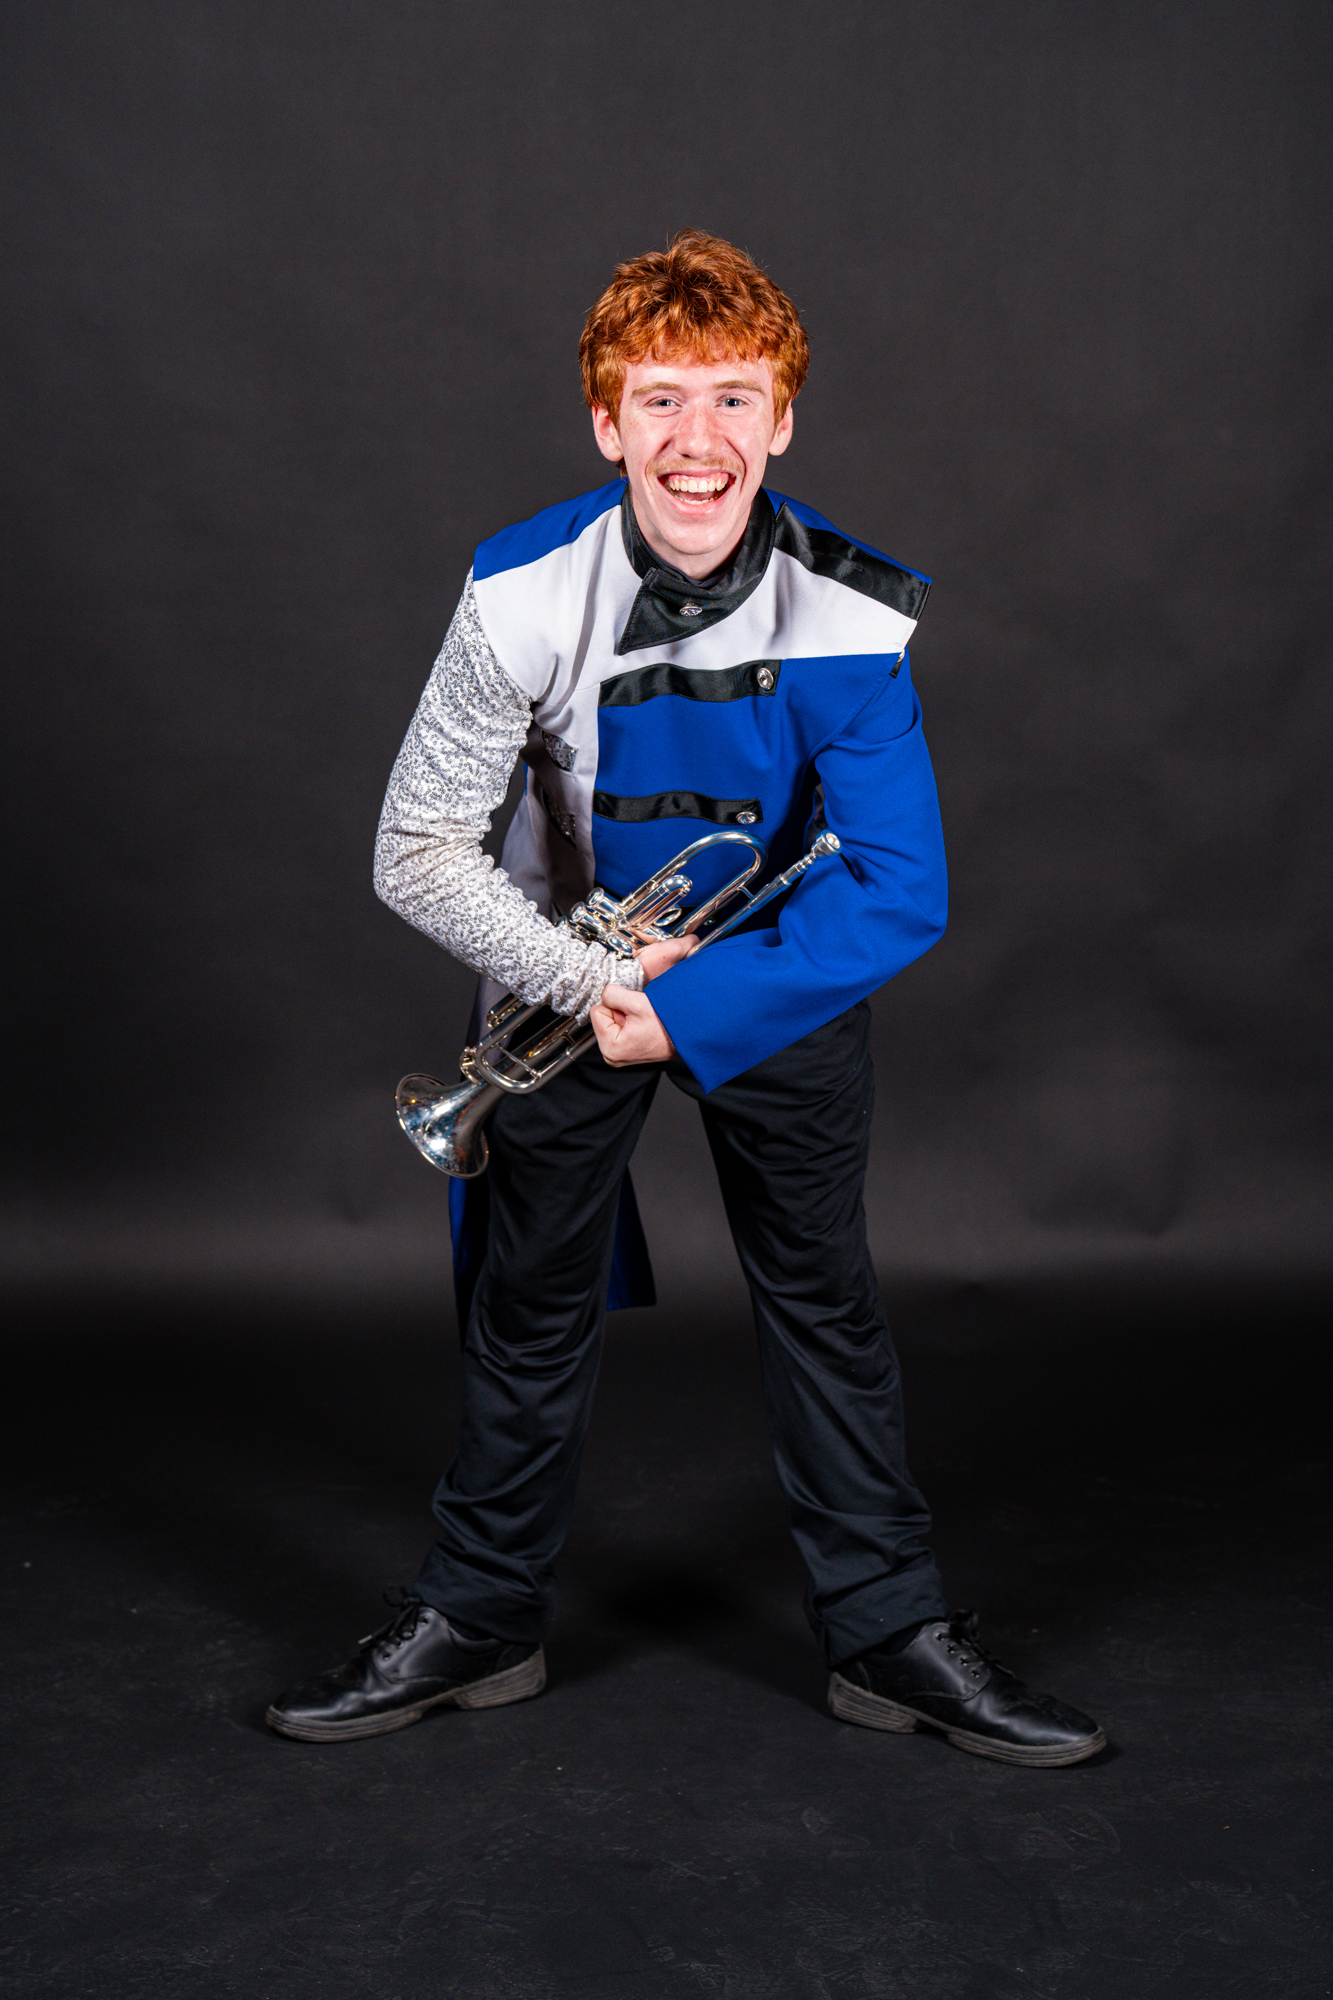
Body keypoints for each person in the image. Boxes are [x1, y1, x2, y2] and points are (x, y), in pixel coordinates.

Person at [267, 231, 1105, 1765]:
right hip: (558, 973)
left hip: (770, 983)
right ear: (606, 422)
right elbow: (413, 847)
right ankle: (478, 1618)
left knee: (823, 1301)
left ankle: (888, 1636)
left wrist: (698, 1005)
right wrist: (589, 979)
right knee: (525, 1300)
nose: (695, 439)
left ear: (781, 419)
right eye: (658, 399)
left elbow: (897, 887)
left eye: (732, 398)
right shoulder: (520, 588)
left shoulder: (851, 613)